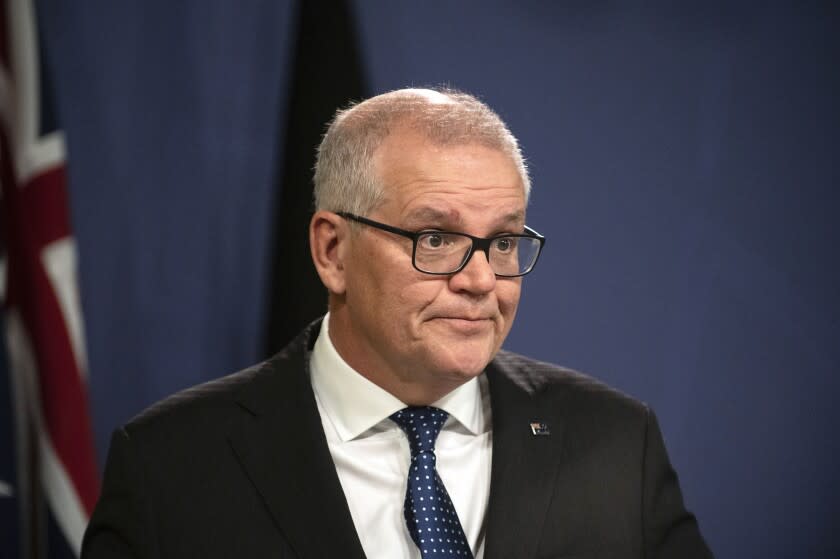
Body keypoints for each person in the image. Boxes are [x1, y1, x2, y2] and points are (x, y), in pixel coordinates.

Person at [82, 88, 712, 558]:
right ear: (333, 251)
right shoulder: (171, 466)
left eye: (503, 242)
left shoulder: (616, 445)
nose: (480, 279)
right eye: (435, 238)